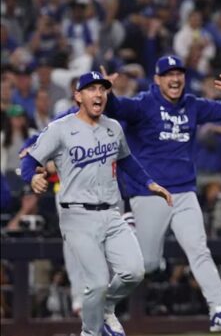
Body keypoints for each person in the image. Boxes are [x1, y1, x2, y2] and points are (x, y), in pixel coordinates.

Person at [100, 56, 221, 332]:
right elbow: (118, 107)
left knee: (198, 250)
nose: (175, 78)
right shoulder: (144, 104)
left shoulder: (191, 105)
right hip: (150, 193)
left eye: (179, 73)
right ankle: (105, 305)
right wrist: (106, 92)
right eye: (168, 74)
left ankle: (219, 310)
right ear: (157, 79)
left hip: (184, 192)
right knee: (147, 264)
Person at [20, 71, 172, 336]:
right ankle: (90, 333)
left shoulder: (113, 127)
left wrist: (149, 183)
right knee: (97, 282)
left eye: (102, 89)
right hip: (76, 215)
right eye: (91, 89)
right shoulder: (60, 128)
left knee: (134, 272)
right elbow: (28, 160)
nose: (98, 94)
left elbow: (125, 159)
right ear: (78, 96)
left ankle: (105, 309)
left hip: (110, 214)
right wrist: (32, 178)